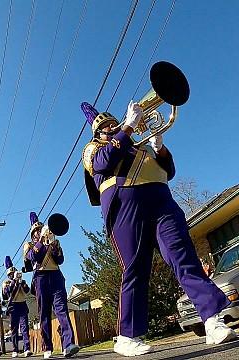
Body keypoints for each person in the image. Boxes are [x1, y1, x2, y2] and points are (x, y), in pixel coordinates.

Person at [80, 101, 235, 356]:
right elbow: (103, 163)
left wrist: (159, 147)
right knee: (135, 270)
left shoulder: (135, 146)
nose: (113, 127)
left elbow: (169, 171)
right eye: (107, 127)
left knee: (184, 258)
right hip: (124, 207)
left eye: (114, 123)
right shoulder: (94, 148)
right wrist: (128, 127)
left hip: (162, 201)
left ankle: (212, 320)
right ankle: (127, 336)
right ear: (98, 134)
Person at [24, 213, 79, 359]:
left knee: (62, 310)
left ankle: (68, 344)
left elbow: (60, 260)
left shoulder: (53, 241)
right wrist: (41, 241)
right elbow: (33, 257)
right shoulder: (30, 246)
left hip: (56, 277)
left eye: (41, 229)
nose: (39, 231)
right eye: (36, 231)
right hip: (40, 279)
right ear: (33, 234)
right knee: (44, 314)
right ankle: (47, 346)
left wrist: (54, 247)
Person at [2, 257, 33, 357]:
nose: (13, 275)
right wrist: (14, 283)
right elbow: (6, 294)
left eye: (14, 273)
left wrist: (21, 283)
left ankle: (27, 348)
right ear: (9, 275)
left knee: (25, 327)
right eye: (11, 274)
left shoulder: (22, 282)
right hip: (13, 306)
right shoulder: (6, 283)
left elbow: (27, 291)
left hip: (22, 304)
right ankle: (15, 349)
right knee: (14, 329)